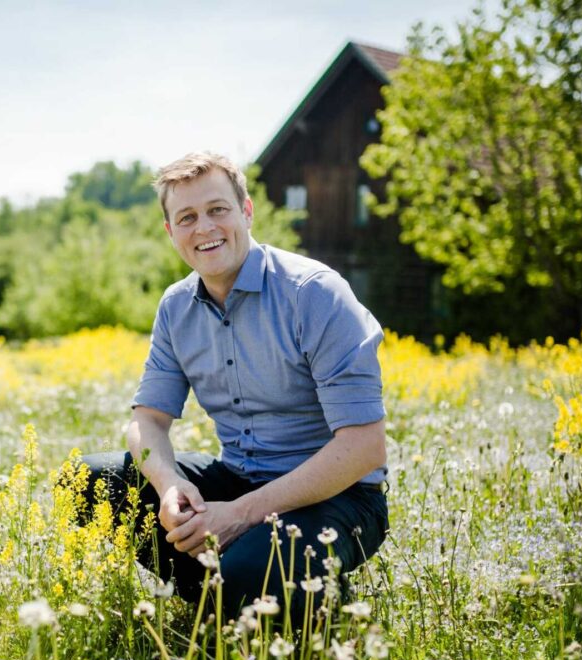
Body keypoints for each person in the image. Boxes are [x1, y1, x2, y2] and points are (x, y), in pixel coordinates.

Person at [83, 152, 389, 622]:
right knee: (89, 480)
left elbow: (365, 448)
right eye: (187, 217)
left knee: (248, 577)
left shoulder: (314, 293)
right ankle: (217, 592)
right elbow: (147, 421)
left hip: (338, 497)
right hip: (239, 479)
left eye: (217, 210)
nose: (204, 227)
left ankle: (270, 589)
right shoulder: (175, 307)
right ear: (171, 232)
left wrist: (241, 514)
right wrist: (169, 489)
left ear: (246, 212)